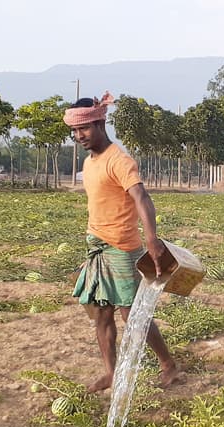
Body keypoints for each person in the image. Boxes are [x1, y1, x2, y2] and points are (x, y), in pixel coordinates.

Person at [64, 93, 184, 392]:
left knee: (133, 316)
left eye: (85, 129)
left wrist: (152, 239)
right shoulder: (90, 163)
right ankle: (111, 372)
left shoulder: (119, 160)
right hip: (98, 247)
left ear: (100, 123)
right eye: (75, 131)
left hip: (122, 248)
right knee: (101, 314)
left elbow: (141, 197)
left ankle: (168, 364)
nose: (79, 136)